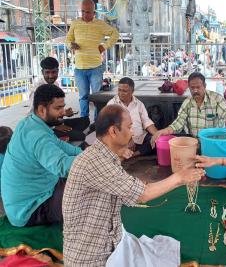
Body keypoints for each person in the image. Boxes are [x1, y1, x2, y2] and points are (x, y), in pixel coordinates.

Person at [63, 105, 204, 266]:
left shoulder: (103, 154)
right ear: (113, 131)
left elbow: (123, 185)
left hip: (109, 242)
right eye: (129, 127)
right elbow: (142, 194)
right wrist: (179, 177)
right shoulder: (96, 162)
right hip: (91, 256)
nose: (133, 132)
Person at [1, 84, 82, 227]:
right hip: (30, 209)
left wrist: (83, 153)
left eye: (62, 107)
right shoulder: (37, 136)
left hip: (34, 196)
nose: (63, 112)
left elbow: (58, 144)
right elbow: (62, 167)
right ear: (41, 110)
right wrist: (95, 159)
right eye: (58, 108)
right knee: (89, 197)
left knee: (83, 183)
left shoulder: (30, 122)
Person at [66, 0, 119, 120]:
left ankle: (97, 121)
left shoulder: (100, 24)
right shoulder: (75, 23)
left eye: (88, 12)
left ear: (94, 12)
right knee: (83, 96)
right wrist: (71, 45)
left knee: (97, 97)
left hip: (95, 67)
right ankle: (84, 120)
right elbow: (68, 39)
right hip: (79, 68)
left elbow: (115, 33)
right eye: (83, 11)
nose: (85, 14)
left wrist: (104, 46)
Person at [151, 72, 226, 144]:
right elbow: (177, 124)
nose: (195, 90)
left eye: (198, 87)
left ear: (205, 86)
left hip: (215, 142)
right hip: (195, 142)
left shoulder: (216, 98)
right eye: (192, 88)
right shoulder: (187, 103)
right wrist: (162, 131)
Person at [28, 57, 90, 141]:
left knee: (85, 121)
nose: (51, 76)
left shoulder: (55, 84)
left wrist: (64, 113)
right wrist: (55, 126)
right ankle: (56, 137)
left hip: (55, 122)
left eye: (53, 72)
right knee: (80, 136)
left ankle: (62, 136)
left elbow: (53, 110)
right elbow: (34, 116)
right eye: (47, 72)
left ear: (58, 71)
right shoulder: (37, 90)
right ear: (42, 72)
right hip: (42, 127)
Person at [107, 77, 158, 156]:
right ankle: (132, 153)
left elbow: (146, 122)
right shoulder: (112, 104)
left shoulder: (139, 104)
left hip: (139, 138)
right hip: (121, 139)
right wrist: (129, 139)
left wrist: (158, 134)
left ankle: (133, 154)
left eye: (124, 91)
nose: (121, 93)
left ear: (132, 91)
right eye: (119, 90)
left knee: (155, 142)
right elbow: (112, 126)